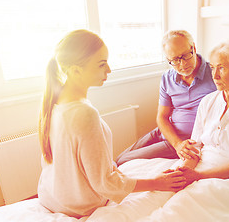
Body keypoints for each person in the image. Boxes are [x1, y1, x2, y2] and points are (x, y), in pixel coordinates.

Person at [37, 29, 186, 219]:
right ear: (75, 70)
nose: (108, 70)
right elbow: (105, 184)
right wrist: (156, 183)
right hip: (77, 205)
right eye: (101, 64)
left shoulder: (54, 102)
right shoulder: (84, 113)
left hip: (49, 195)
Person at [116, 30, 229, 166]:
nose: (182, 64)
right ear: (168, 60)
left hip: (186, 141)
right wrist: (176, 143)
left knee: (124, 162)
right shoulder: (167, 77)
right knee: (118, 159)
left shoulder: (215, 74)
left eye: (185, 55)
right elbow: (162, 117)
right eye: (175, 60)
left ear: (194, 48)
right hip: (166, 133)